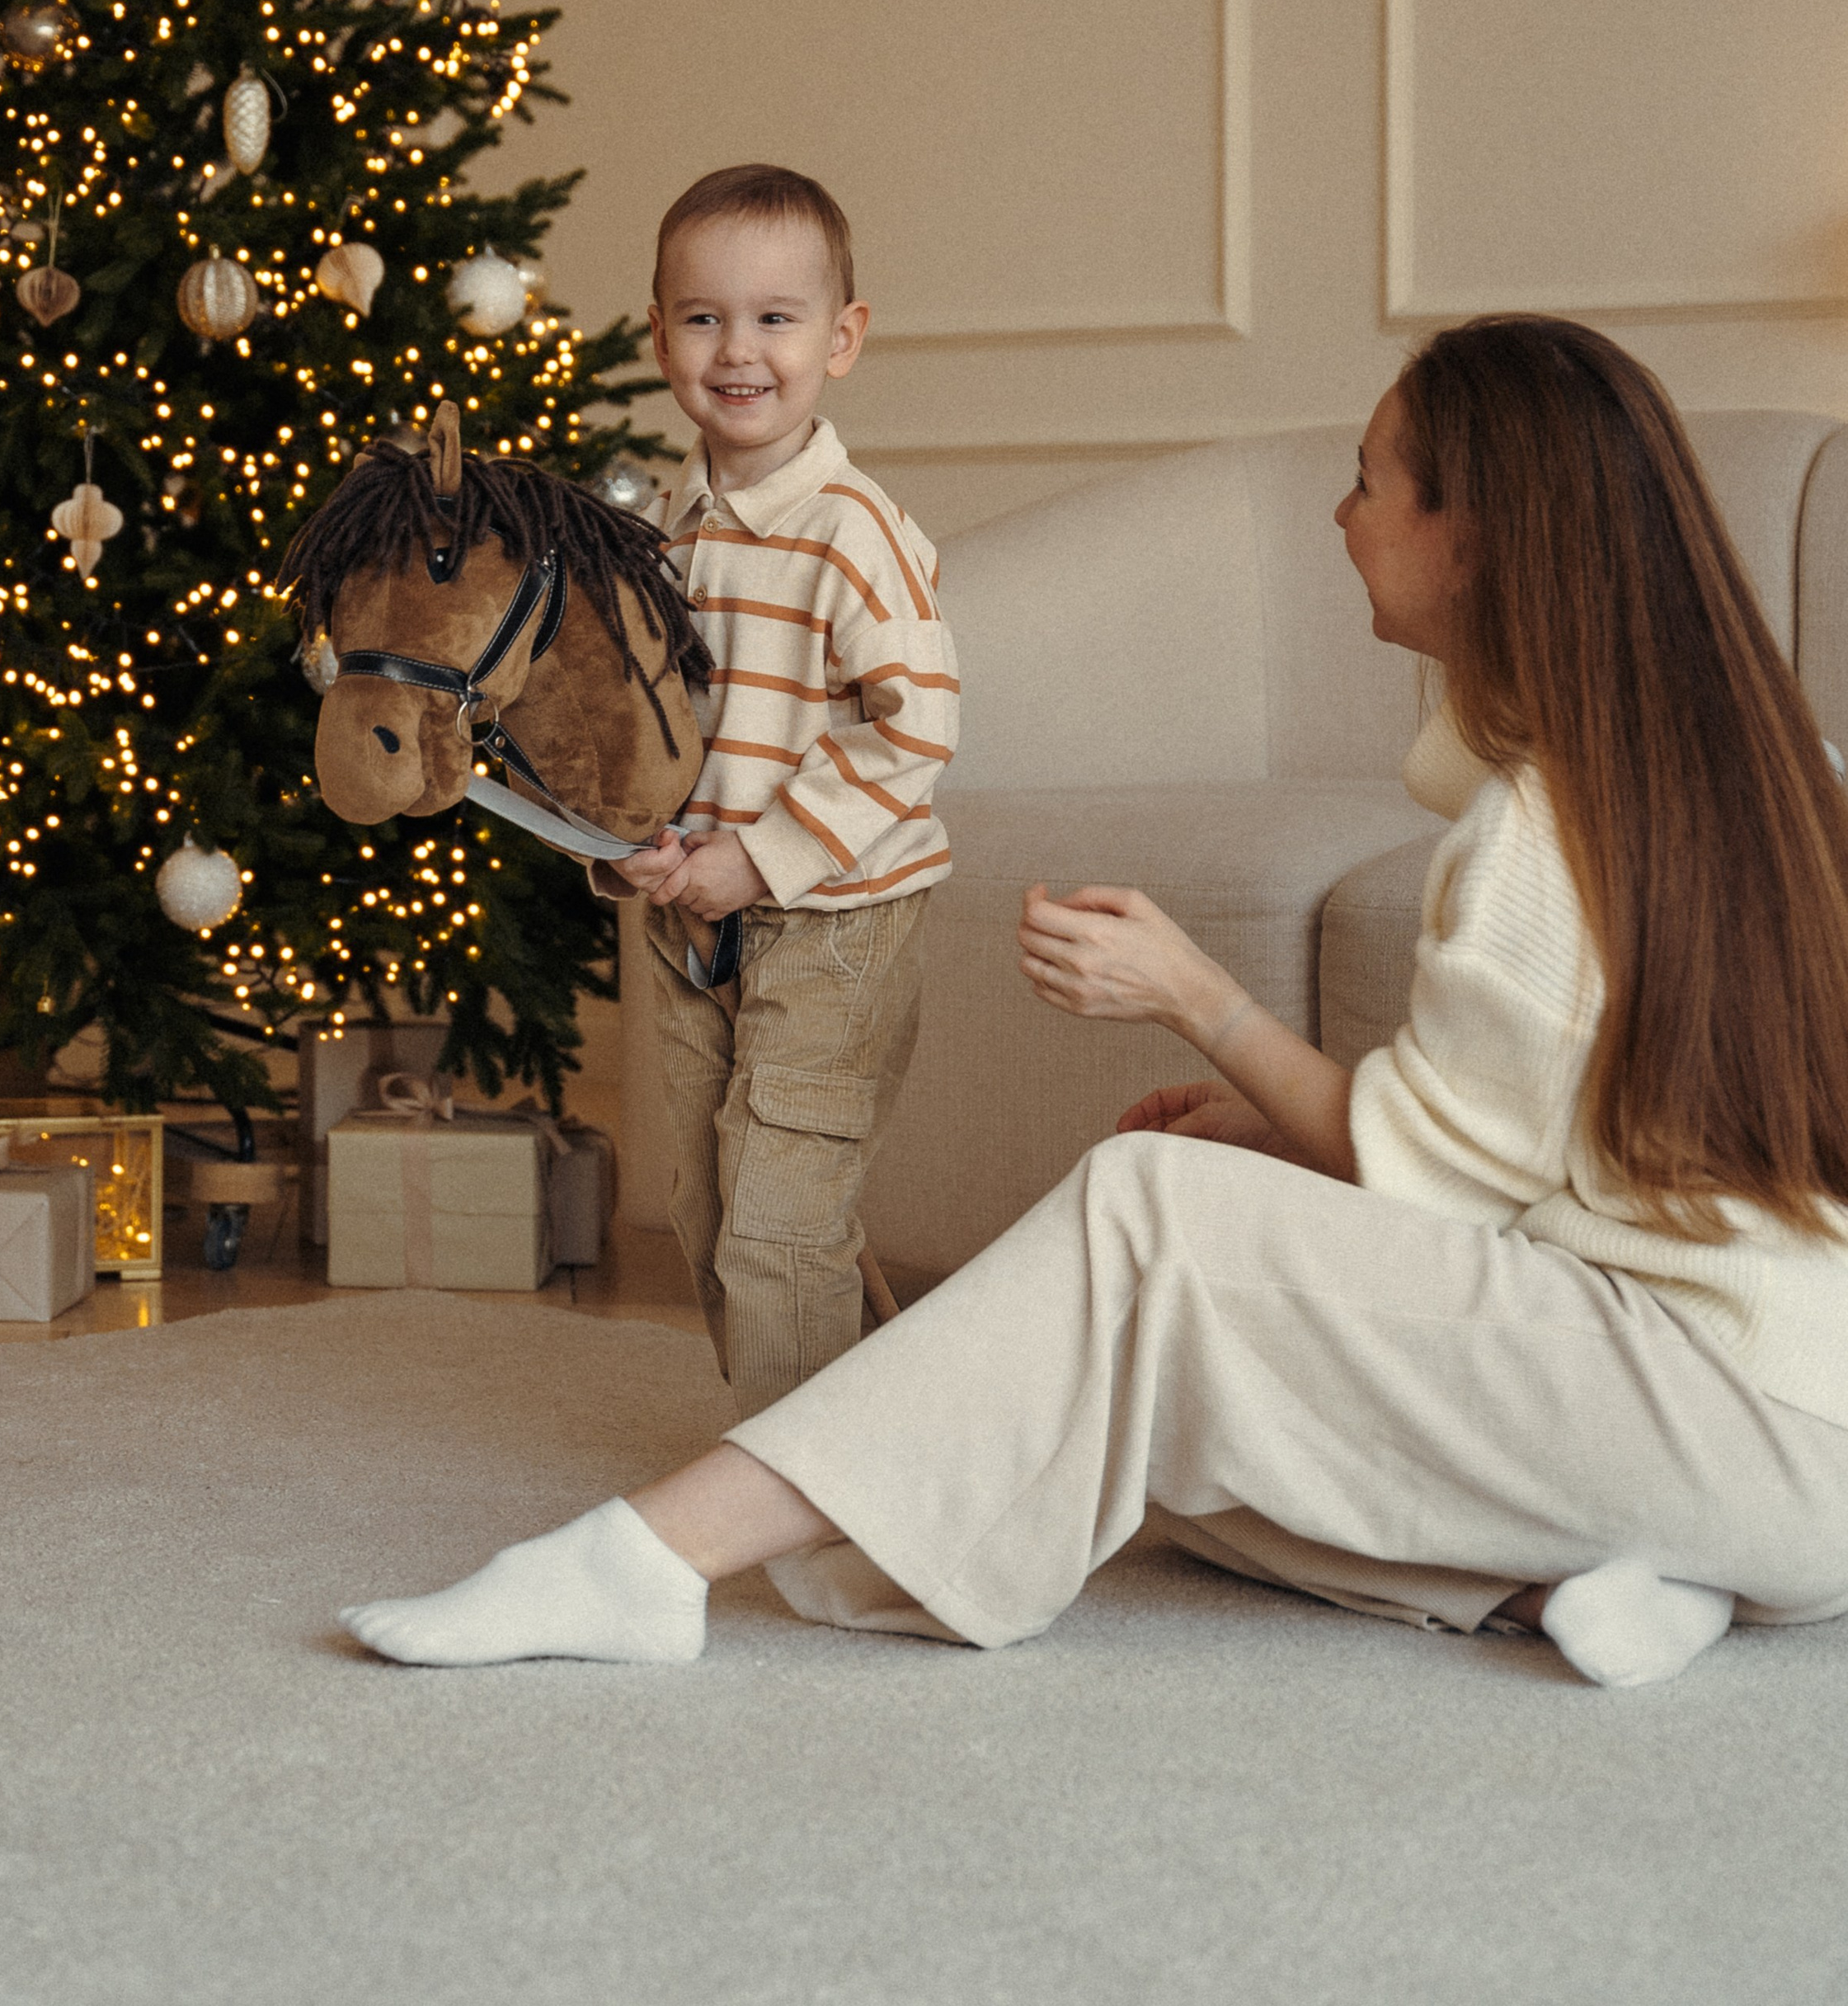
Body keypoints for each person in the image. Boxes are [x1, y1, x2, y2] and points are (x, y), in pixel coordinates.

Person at [342, 318, 1848, 1692]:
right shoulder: (1736, 780)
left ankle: (646, 1559)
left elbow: (1441, 1190)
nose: (1342, 515)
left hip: (1723, 1410)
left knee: (1146, 1207)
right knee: (1143, 1436)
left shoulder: (1543, 833)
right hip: (1780, 1449)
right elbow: (1548, 1151)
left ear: (1479, 537)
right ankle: (1575, 1584)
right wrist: (1272, 1123)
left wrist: (1194, 995)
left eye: (1372, 482)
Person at [582, 162, 957, 1414]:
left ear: (841, 340)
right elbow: (659, 734)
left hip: (834, 924)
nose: (737, 350)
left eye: (775, 318)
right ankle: (874, 1420)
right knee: (704, 1198)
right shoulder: (675, 535)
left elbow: (915, 730)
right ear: (659, 335)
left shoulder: (851, 529)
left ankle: (801, 1485)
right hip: (699, 919)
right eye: (702, 318)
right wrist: (635, 840)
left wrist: (759, 857)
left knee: (781, 1215)